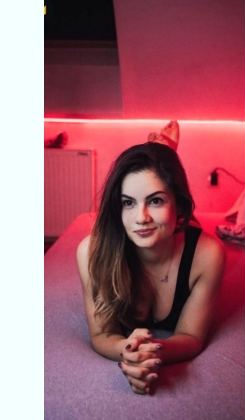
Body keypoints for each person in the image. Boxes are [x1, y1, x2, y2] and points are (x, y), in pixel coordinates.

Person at [76, 141, 225, 396]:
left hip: (179, 233)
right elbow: (102, 334)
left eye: (155, 200)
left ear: (179, 204)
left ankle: (165, 149)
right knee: (158, 225)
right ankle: (163, 148)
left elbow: (191, 336)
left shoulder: (209, 255)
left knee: (183, 226)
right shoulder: (91, 252)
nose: (141, 217)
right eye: (127, 203)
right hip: (157, 233)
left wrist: (154, 353)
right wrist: (130, 353)